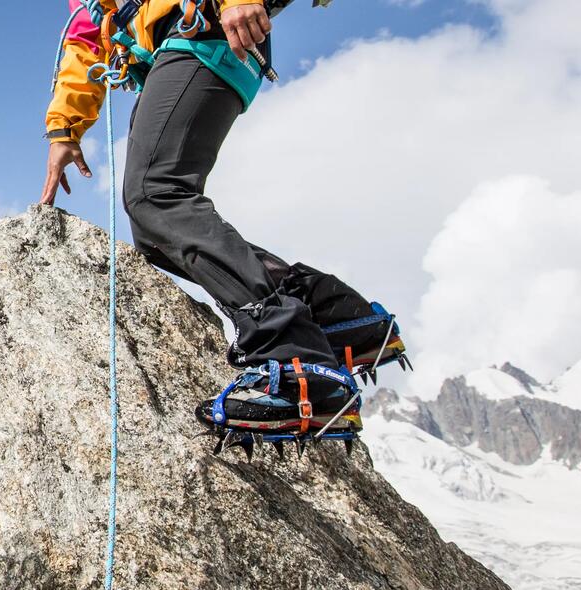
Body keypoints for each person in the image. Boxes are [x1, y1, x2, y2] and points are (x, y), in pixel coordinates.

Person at [39, 0, 407, 437]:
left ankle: (293, 360)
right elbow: (86, 37)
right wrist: (65, 127)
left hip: (203, 29)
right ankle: (337, 318)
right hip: (188, 43)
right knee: (156, 236)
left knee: (157, 197)